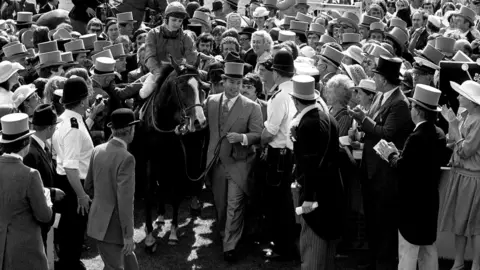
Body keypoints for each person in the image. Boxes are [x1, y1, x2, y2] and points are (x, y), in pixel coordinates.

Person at [348, 55, 413, 270]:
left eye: (375, 75)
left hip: (385, 173)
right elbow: (376, 125)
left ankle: (383, 263)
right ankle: (374, 260)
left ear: (384, 79)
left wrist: (362, 120)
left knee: (384, 221)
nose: (373, 78)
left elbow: (387, 133)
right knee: (373, 218)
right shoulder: (381, 97)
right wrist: (363, 123)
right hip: (372, 169)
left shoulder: (400, 103)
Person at [204, 62, 263, 262]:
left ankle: (230, 246)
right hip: (216, 163)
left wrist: (242, 138)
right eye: (230, 82)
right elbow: (202, 128)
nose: (233, 86)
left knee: (234, 205)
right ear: (224, 81)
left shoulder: (252, 107)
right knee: (220, 205)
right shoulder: (210, 102)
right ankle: (223, 233)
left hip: (239, 163)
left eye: (238, 83)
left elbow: (258, 135)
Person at [384, 84, 447, 270]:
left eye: (412, 106)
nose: (410, 109)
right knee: (428, 250)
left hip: (412, 204)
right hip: (429, 200)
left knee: (408, 252)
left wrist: (391, 155)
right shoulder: (439, 134)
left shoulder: (417, 137)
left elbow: (404, 167)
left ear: (418, 111)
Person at [290, 75, 343, 270]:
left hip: (314, 196)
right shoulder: (329, 118)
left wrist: (307, 201)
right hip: (333, 192)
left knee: (312, 250)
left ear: (295, 101)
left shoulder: (305, 125)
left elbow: (308, 167)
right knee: (327, 252)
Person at [84, 108, 140, 270]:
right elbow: (125, 201)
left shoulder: (97, 150)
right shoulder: (127, 158)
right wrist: (128, 235)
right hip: (115, 229)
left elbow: (88, 187)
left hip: (100, 224)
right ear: (129, 130)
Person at [0, 113, 52, 270]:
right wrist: (47, 198)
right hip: (25, 251)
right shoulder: (30, 174)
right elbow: (45, 216)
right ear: (26, 141)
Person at [52, 77, 94, 270]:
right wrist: (81, 195)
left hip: (68, 182)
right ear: (83, 100)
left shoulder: (66, 119)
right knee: (73, 234)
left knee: (70, 234)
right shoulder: (73, 126)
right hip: (74, 185)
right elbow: (70, 166)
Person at [261, 49, 298, 260]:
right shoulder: (299, 90)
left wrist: (260, 140)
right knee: (287, 201)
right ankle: (287, 245)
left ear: (275, 73)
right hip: (292, 153)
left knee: (278, 203)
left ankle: (282, 247)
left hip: (279, 154)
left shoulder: (279, 95)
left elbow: (270, 132)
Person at [439, 80, 480, 270]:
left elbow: (465, 150)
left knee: (474, 226)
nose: (457, 97)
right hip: (460, 174)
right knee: (459, 221)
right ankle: (458, 262)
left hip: (472, 177)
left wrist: (454, 126)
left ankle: (475, 265)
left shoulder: (478, 120)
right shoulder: (465, 115)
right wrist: (452, 125)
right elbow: (452, 142)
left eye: (462, 95)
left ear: (472, 100)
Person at [23, 104, 65, 249]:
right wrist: (52, 192)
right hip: (37, 220)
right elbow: (27, 186)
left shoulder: (39, 146)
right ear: (49, 128)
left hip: (46, 216)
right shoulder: (31, 152)